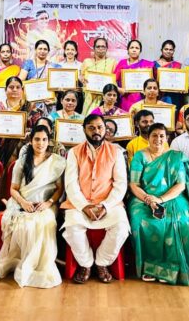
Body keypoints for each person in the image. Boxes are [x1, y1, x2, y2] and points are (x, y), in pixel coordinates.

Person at [61, 115, 130, 283]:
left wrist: (106, 206)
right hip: (79, 204)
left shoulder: (116, 152)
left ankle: (102, 262)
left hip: (109, 203)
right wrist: (84, 206)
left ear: (105, 129)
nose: (96, 131)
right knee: (72, 227)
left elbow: (121, 184)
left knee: (121, 227)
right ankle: (85, 264)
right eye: (91, 128)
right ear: (84, 129)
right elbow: (70, 184)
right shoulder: (74, 152)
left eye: (100, 127)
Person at [129, 123, 189, 285]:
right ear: (148, 137)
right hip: (143, 198)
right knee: (140, 221)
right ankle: (149, 268)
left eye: (162, 136)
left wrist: (160, 200)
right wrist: (148, 199)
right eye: (154, 135)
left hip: (171, 197)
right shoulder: (140, 156)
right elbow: (134, 184)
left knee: (182, 222)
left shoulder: (175, 156)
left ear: (167, 138)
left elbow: (180, 185)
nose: (158, 139)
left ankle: (175, 269)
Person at [0, 125, 66, 288]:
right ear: (31, 141)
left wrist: (48, 203)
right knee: (26, 224)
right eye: (37, 139)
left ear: (49, 142)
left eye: (44, 140)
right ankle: (25, 264)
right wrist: (24, 203)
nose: (40, 143)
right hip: (23, 201)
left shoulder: (56, 161)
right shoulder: (22, 162)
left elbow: (59, 189)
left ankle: (41, 267)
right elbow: (13, 189)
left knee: (45, 222)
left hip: (47, 203)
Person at [0, 76, 44, 166]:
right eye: (11, 87)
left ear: (22, 90)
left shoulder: (30, 106)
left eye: (18, 87)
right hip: (0, 147)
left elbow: (38, 128)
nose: (14, 90)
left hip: (23, 148)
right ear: (5, 90)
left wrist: (29, 133)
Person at [114, 39, 155, 112]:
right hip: (125, 98)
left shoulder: (146, 65)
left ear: (140, 51)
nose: (134, 50)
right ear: (128, 50)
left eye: (137, 48)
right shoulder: (122, 63)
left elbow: (152, 83)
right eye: (132, 48)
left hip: (141, 98)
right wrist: (119, 89)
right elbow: (112, 80)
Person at [80, 38, 118, 116]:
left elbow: (115, 80)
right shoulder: (87, 62)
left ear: (106, 48)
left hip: (107, 98)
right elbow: (82, 77)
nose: (100, 49)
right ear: (94, 48)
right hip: (90, 96)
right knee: (90, 118)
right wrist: (82, 79)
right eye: (98, 46)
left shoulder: (112, 62)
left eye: (103, 46)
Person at [155, 40, 185, 111]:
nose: (168, 51)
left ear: (173, 51)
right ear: (161, 50)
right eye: (166, 49)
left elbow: (182, 82)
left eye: (171, 50)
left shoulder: (178, 65)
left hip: (174, 97)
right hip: (158, 96)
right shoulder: (153, 64)